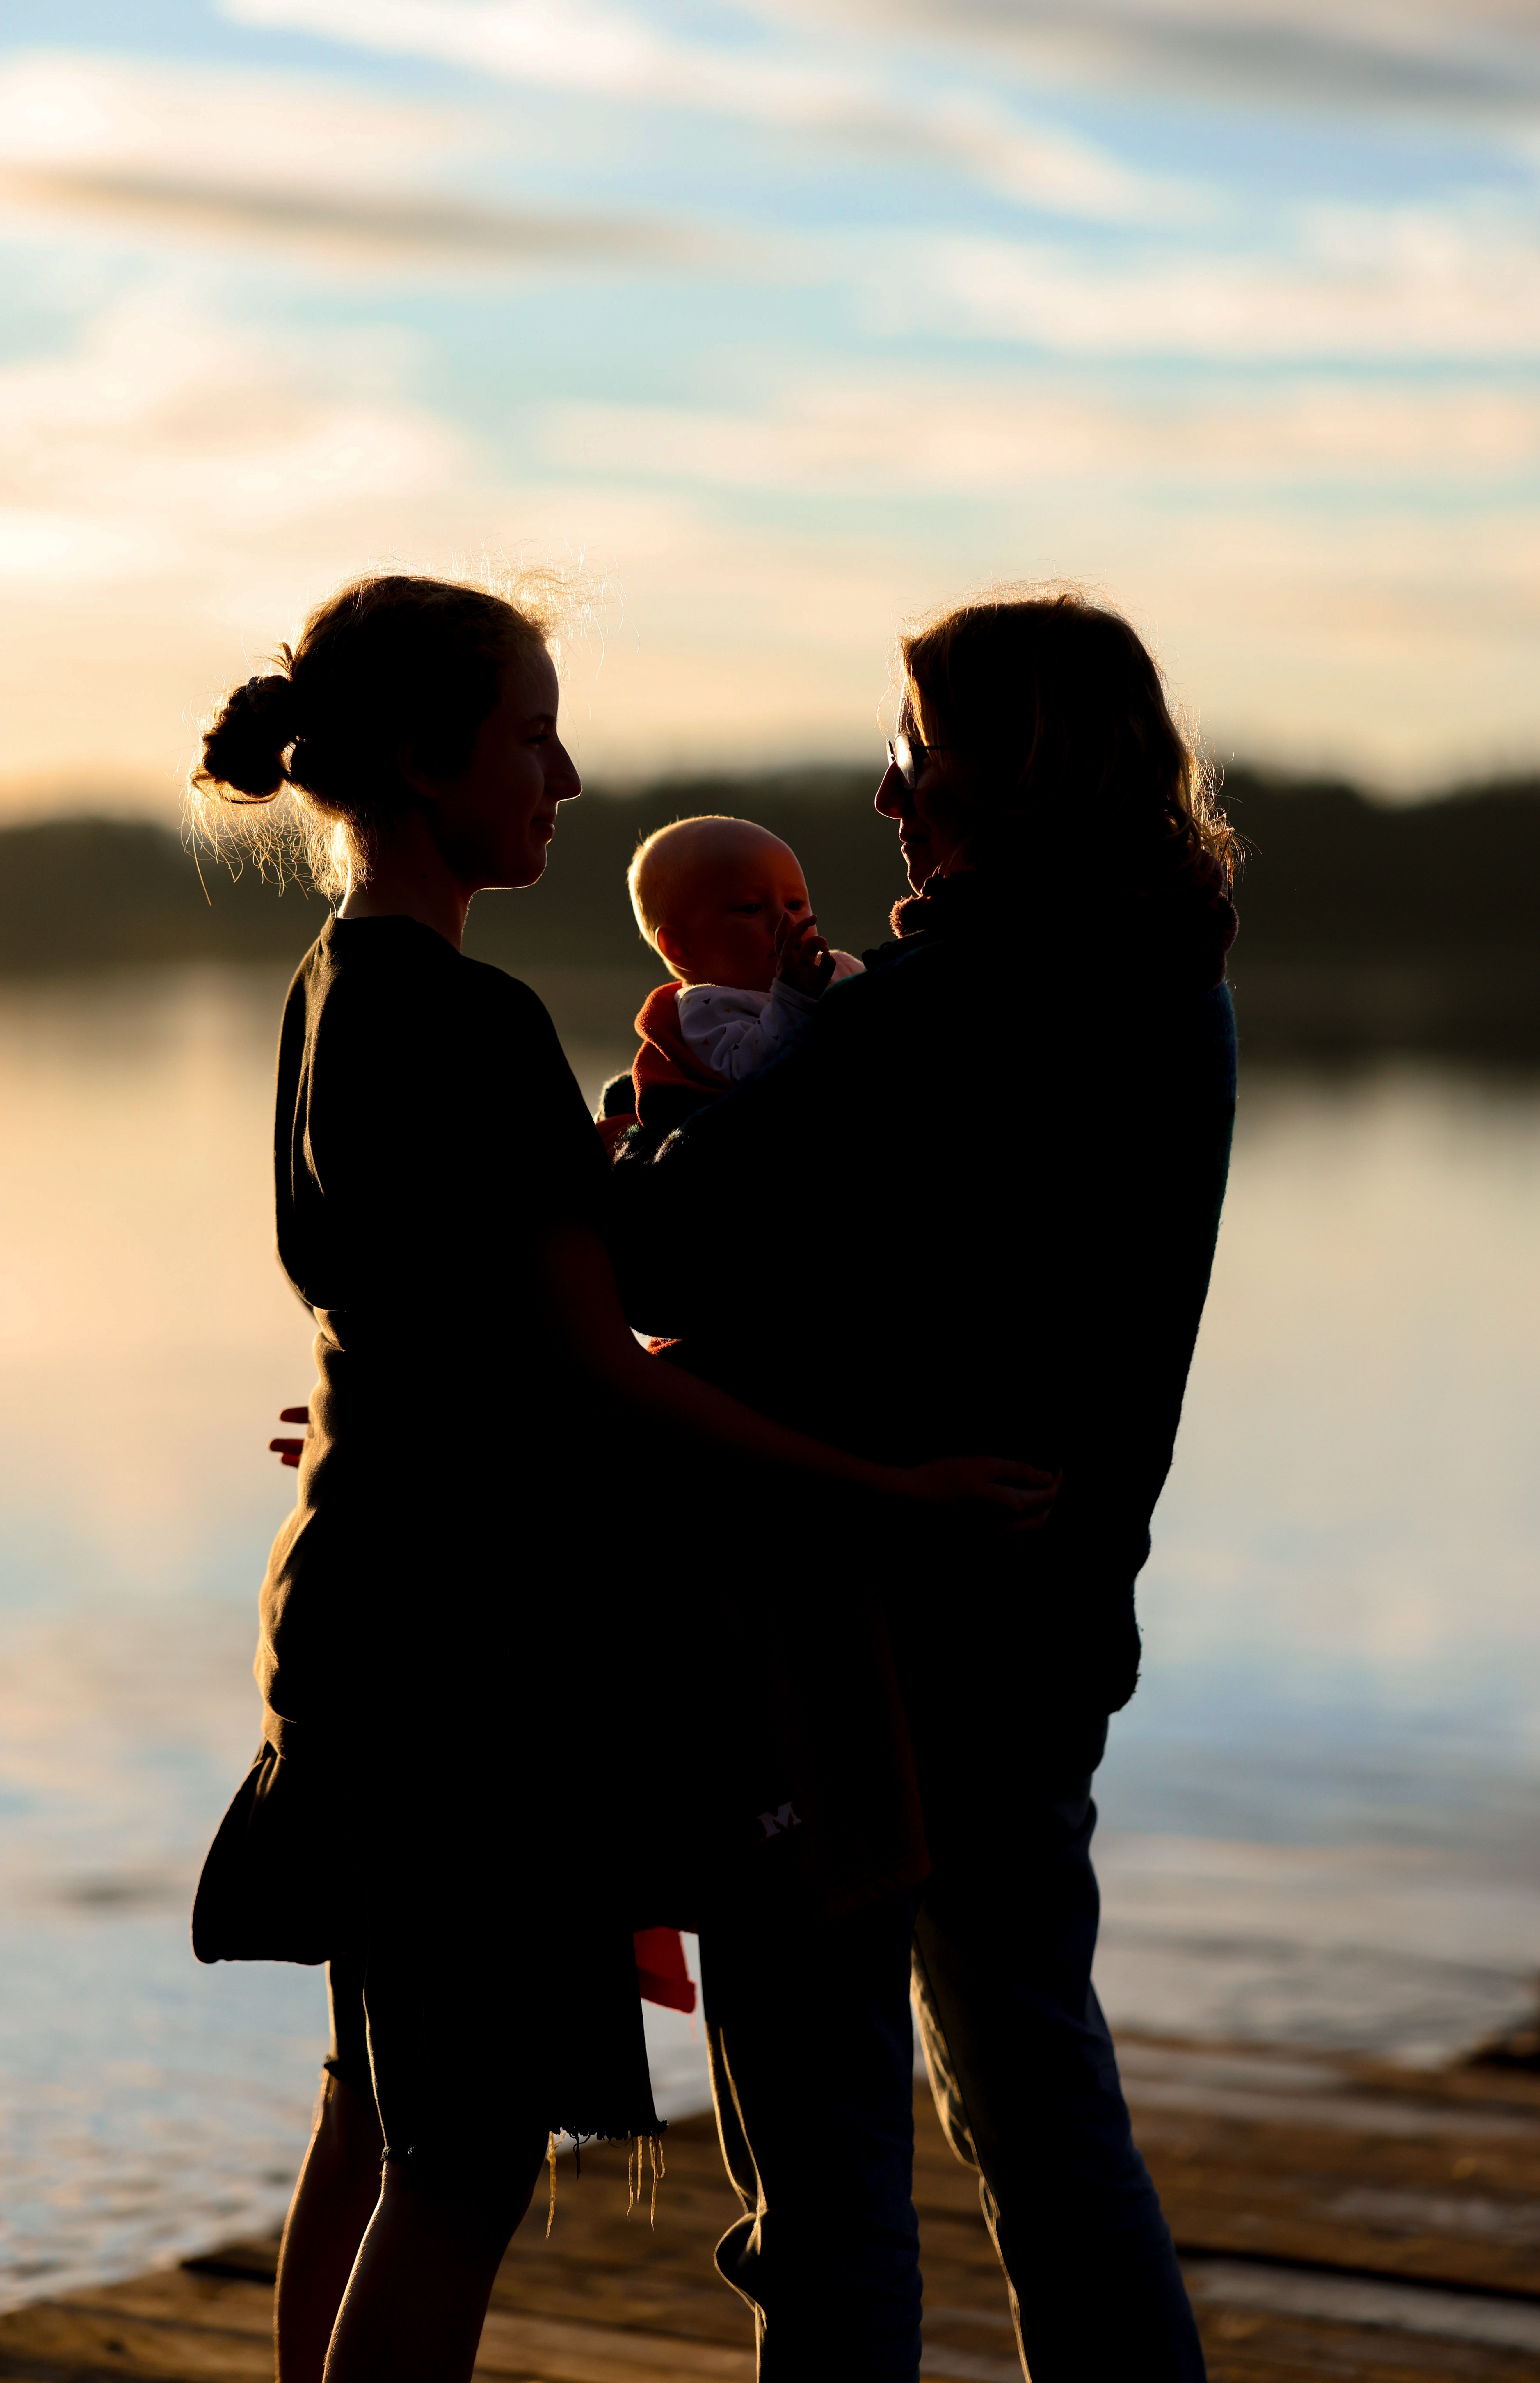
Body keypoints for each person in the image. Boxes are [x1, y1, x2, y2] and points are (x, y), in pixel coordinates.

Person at [184, 570, 1057, 2383]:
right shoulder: (475, 1022)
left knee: (375, 2106)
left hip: (351, 1603)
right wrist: (883, 1489)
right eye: (529, 737)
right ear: (427, 766)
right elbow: (599, 1375)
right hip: (462, 1660)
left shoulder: (333, 988)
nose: (564, 775)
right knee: (464, 2156)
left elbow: (439, 1333)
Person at [608, 588, 1239, 2381]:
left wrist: (654, 1103)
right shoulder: (1162, 986)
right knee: (1039, 2110)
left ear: (999, 766)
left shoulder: (951, 1000)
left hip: (840, 1645)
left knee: (820, 2172)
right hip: (1043, 1637)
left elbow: (659, 1255)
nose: (883, 794)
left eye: (910, 747)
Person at [596, 813, 861, 1153]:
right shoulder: (705, 1007)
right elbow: (747, 1077)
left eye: (795, 904)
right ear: (682, 947)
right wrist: (792, 999)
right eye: (752, 908)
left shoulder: (838, 968)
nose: (784, 921)